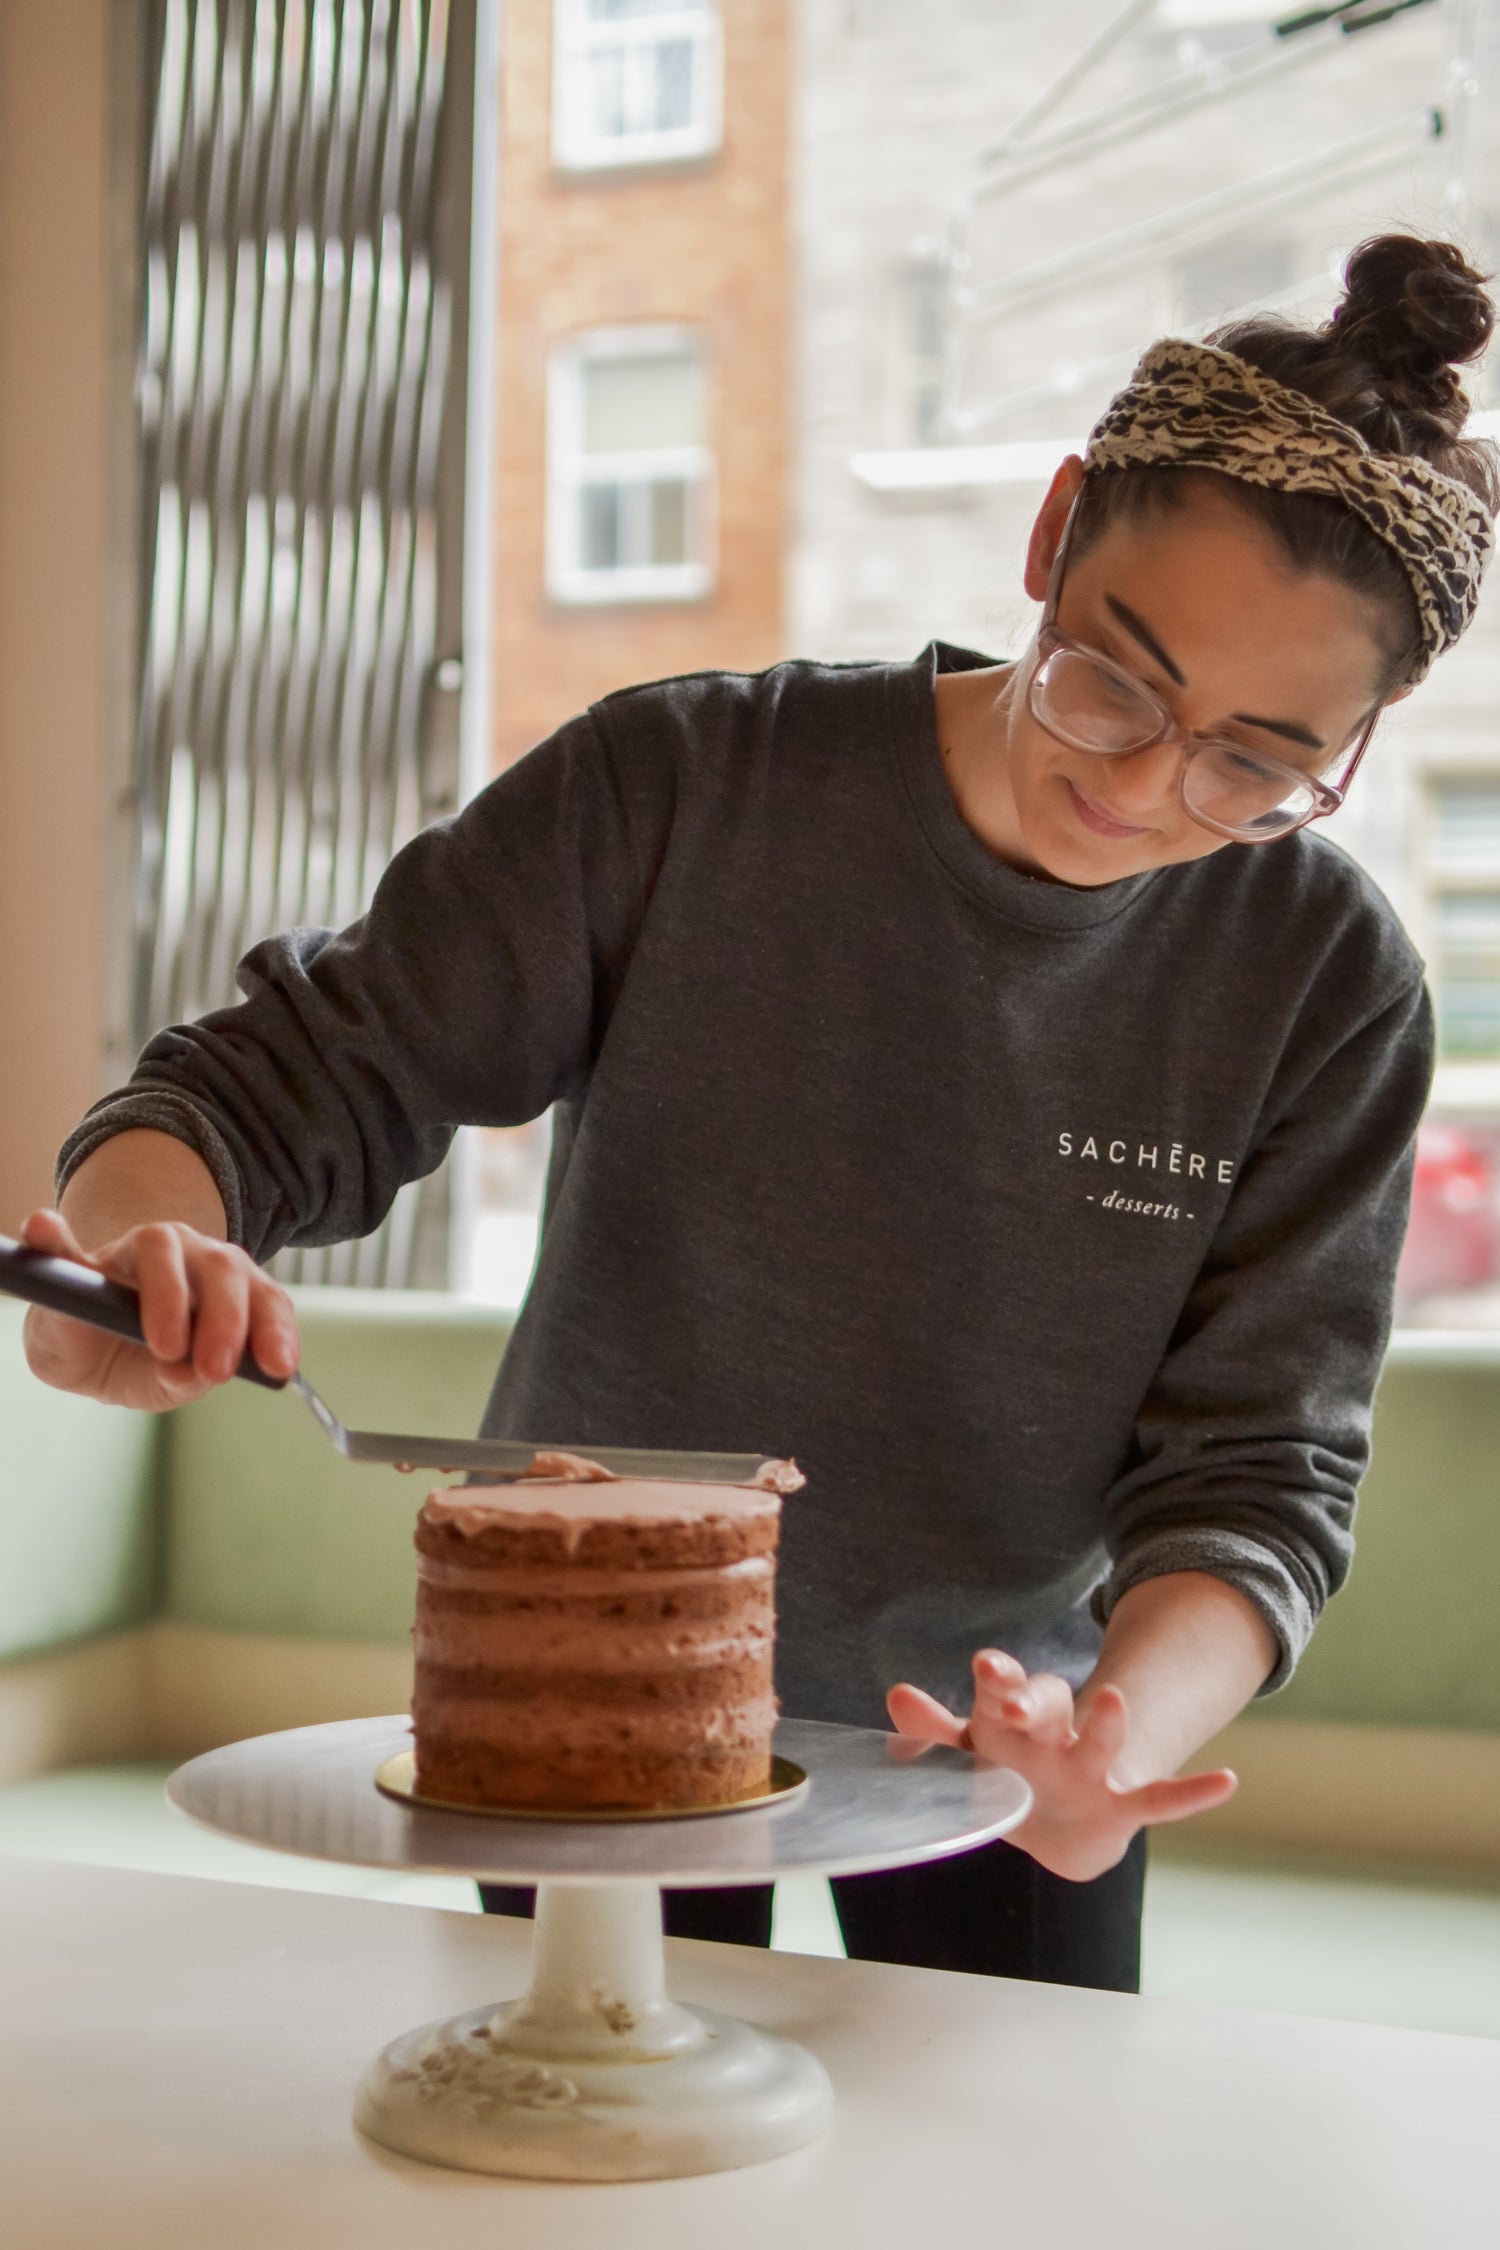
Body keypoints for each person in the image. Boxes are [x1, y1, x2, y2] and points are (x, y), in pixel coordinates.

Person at [22, 234, 1498, 1994]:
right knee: (588, 2152)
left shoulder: (1325, 981)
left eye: (1255, 764)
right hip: (580, 1680)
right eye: (1116, 680)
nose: (1144, 788)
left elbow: (1262, 1468)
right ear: (1051, 534)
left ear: (1362, 736)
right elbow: (271, 1088)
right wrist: (143, 1249)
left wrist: (1110, 1735)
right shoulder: (685, 790)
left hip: (1001, 1736)